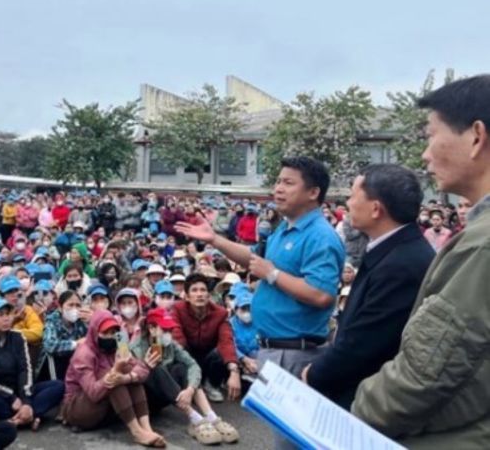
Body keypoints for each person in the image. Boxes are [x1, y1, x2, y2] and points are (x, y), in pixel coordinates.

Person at [351, 76, 490, 447]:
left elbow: (424, 376)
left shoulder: (482, 246)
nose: (425, 155)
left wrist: (358, 410)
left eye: (431, 135)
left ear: (476, 137)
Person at [176, 156, 343, 377]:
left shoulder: (320, 236)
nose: (278, 189)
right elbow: (253, 258)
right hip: (272, 349)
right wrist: (214, 240)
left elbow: (322, 294)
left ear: (313, 192)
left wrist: (272, 274)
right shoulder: (284, 228)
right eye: (278, 181)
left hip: (294, 354)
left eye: (288, 183)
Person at [301, 164, 434, 409]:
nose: (348, 203)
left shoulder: (402, 265)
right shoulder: (393, 249)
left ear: (376, 209)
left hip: (368, 399)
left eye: (353, 196)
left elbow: (365, 344)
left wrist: (315, 374)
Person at [132, 307, 239, 446]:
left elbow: (193, 365)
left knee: (183, 368)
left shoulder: (171, 344)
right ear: (151, 329)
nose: (168, 334)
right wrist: (145, 365)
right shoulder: (136, 347)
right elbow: (136, 378)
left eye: (170, 330)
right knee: (156, 369)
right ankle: (195, 419)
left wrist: (190, 389)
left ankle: (211, 416)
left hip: (169, 393)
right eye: (165, 330)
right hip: (147, 399)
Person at [61, 309, 166, 448]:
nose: (110, 336)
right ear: (94, 332)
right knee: (112, 376)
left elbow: (139, 370)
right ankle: (136, 432)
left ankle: (146, 428)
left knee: (127, 373)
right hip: (78, 408)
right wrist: (116, 371)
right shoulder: (84, 353)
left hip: (105, 404)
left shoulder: (119, 342)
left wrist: (131, 375)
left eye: (113, 332)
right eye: (105, 333)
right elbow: (93, 393)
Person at [0, 297, 65, 430]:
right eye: (0, 315)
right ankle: (32, 416)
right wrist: (11, 398)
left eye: (8, 314)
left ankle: (20, 418)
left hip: (22, 390)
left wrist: (25, 401)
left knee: (58, 386)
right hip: (0, 394)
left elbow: (25, 369)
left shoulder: (18, 337)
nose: (6, 318)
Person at [169, 273, 241, 404]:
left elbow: (226, 341)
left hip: (208, 357)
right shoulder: (177, 309)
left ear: (209, 295)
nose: (199, 294)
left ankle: (211, 384)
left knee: (220, 353)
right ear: (187, 296)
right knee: (176, 352)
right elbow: (177, 336)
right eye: (194, 290)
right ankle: (191, 386)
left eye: (203, 290)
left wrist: (234, 371)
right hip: (187, 354)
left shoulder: (220, 313)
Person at [41, 289, 88, 380]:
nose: (74, 309)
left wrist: (94, 320)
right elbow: (49, 345)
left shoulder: (115, 322)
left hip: (78, 366)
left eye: (78, 305)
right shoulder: (52, 320)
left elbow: (97, 341)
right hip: (57, 368)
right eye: (70, 305)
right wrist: (75, 344)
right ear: (60, 307)